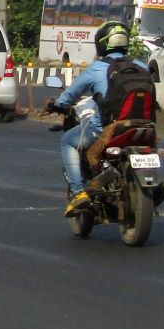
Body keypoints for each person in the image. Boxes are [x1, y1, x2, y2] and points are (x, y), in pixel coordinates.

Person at [51, 23, 154, 216]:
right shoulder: (141, 66)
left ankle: (78, 193)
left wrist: (57, 104)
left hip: (108, 129)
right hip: (144, 127)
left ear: (102, 44)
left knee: (68, 142)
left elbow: (69, 96)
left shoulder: (97, 68)